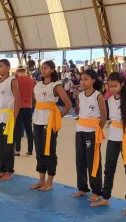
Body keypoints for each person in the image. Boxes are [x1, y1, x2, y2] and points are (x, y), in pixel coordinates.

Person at [90, 72, 126, 216]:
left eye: (115, 86)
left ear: (122, 84)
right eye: (110, 86)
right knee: (109, 167)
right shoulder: (110, 99)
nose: (112, 88)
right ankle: (106, 197)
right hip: (113, 136)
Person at [30, 60, 72, 191]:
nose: (43, 70)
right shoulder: (37, 85)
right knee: (39, 151)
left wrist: (57, 118)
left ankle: (50, 182)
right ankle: (41, 180)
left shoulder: (56, 85)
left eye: (46, 68)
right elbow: (35, 101)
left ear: (52, 70)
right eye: (42, 68)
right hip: (37, 121)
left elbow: (68, 104)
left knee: (49, 151)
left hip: (49, 123)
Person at [71, 69, 107, 202]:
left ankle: (97, 190)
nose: (83, 82)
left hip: (92, 131)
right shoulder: (80, 95)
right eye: (82, 79)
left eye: (86, 79)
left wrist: (98, 130)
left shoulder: (98, 96)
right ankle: (82, 188)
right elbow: (81, 112)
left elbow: (104, 116)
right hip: (80, 129)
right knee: (80, 160)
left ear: (93, 80)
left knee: (93, 161)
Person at [0, 59, 21, 181]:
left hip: (9, 115)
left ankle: (9, 170)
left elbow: (18, 100)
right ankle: (2, 169)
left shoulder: (12, 81)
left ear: (8, 68)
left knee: (8, 145)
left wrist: (14, 116)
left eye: (1, 66)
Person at [14, 66, 35, 156]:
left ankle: (17, 150)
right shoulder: (31, 81)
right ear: (25, 71)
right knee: (29, 129)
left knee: (18, 130)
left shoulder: (15, 81)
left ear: (17, 71)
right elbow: (33, 95)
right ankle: (30, 150)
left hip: (18, 108)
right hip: (28, 107)